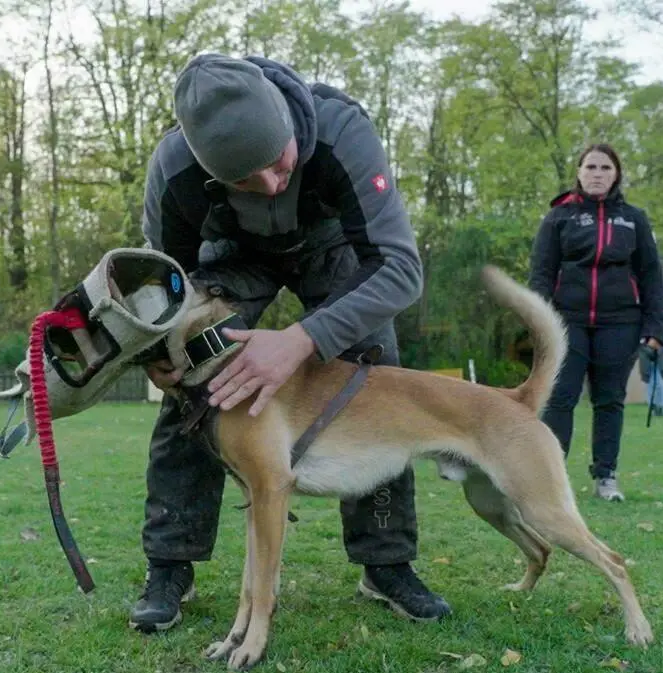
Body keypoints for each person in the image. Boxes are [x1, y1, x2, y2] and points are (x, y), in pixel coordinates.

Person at [129, 53, 450, 633]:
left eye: (279, 165)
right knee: (194, 387)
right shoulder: (173, 166)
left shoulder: (342, 130)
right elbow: (165, 284)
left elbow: (400, 269)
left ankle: (385, 561)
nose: (273, 185)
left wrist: (303, 338)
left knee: (377, 378)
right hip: (232, 260)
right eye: (245, 181)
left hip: (335, 251)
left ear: (288, 126)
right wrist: (159, 353)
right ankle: (170, 563)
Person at [528, 143, 663, 502]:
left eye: (605, 167)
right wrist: (539, 320)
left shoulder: (634, 219)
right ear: (578, 172)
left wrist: (655, 328)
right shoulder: (559, 217)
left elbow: (651, 276)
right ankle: (549, 478)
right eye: (590, 166)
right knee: (560, 398)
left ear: (616, 174)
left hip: (620, 323)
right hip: (566, 323)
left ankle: (606, 476)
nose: (597, 173)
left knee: (609, 400)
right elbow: (541, 274)